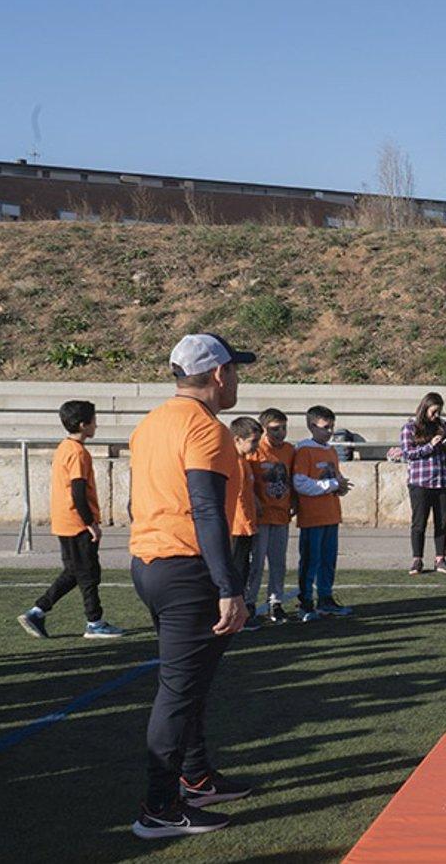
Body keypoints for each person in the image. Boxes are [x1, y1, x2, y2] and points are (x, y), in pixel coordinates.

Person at [128, 333, 255, 839]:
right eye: (236, 370)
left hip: (152, 564)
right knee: (179, 692)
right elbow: (205, 507)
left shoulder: (153, 422)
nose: (239, 379)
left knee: (190, 683)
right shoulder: (206, 429)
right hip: (187, 569)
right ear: (220, 374)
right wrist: (229, 585)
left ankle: (196, 777)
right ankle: (159, 807)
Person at [18, 399, 125, 639]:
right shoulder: (78, 453)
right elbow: (78, 491)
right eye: (93, 421)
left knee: (74, 572)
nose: (96, 425)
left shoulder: (64, 447)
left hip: (65, 521)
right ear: (82, 424)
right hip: (76, 523)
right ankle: (94, 622)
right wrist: (91, 524)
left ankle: (38, 611)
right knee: (88, 574)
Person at [293, 405, 353, 621]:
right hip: (312, 517)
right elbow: (300, 483)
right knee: (311, 560)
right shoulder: (304, 450)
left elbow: (335, 477)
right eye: (325, 427)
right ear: (311, 426)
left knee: (328, 560)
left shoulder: (330, 450)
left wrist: (341, 486)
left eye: (332, 427)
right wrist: (332, 484)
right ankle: (306, 602)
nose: (329, 431)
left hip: (331, 514)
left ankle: (325, 599)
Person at [246, 408, 295, 625]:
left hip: (281, 513)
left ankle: (275, 602)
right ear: (264, 429)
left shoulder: (289, 451)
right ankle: (248, 602)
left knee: (278, 563)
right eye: (275, 429)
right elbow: (245, 481)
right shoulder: (255, 451)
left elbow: (292, 479)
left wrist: (294, 501)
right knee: (256, 563)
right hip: (261, 516)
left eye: (284, 428)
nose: (281, 433)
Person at [401, 392, 446, 576]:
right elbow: (408, 453)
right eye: (433, 412)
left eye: (439, 412)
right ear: (425, 408)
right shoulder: (410, 427)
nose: (436, 416)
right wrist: (430, 446)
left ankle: (440, 559)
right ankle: (417, 559)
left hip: (443, 480)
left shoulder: (442, 425)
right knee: (419, 522)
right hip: (420, 481)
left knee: (442, 522)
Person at [227, 417, 263, 629]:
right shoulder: (230, 463)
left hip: (247, 525)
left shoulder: (243, 462)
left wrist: (255, 503)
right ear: (238, 439)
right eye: (253, 441)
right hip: (235, 528)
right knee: (235, 573)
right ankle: (233, 615)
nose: (257, 446)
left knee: (243, 571)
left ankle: (239, 613)